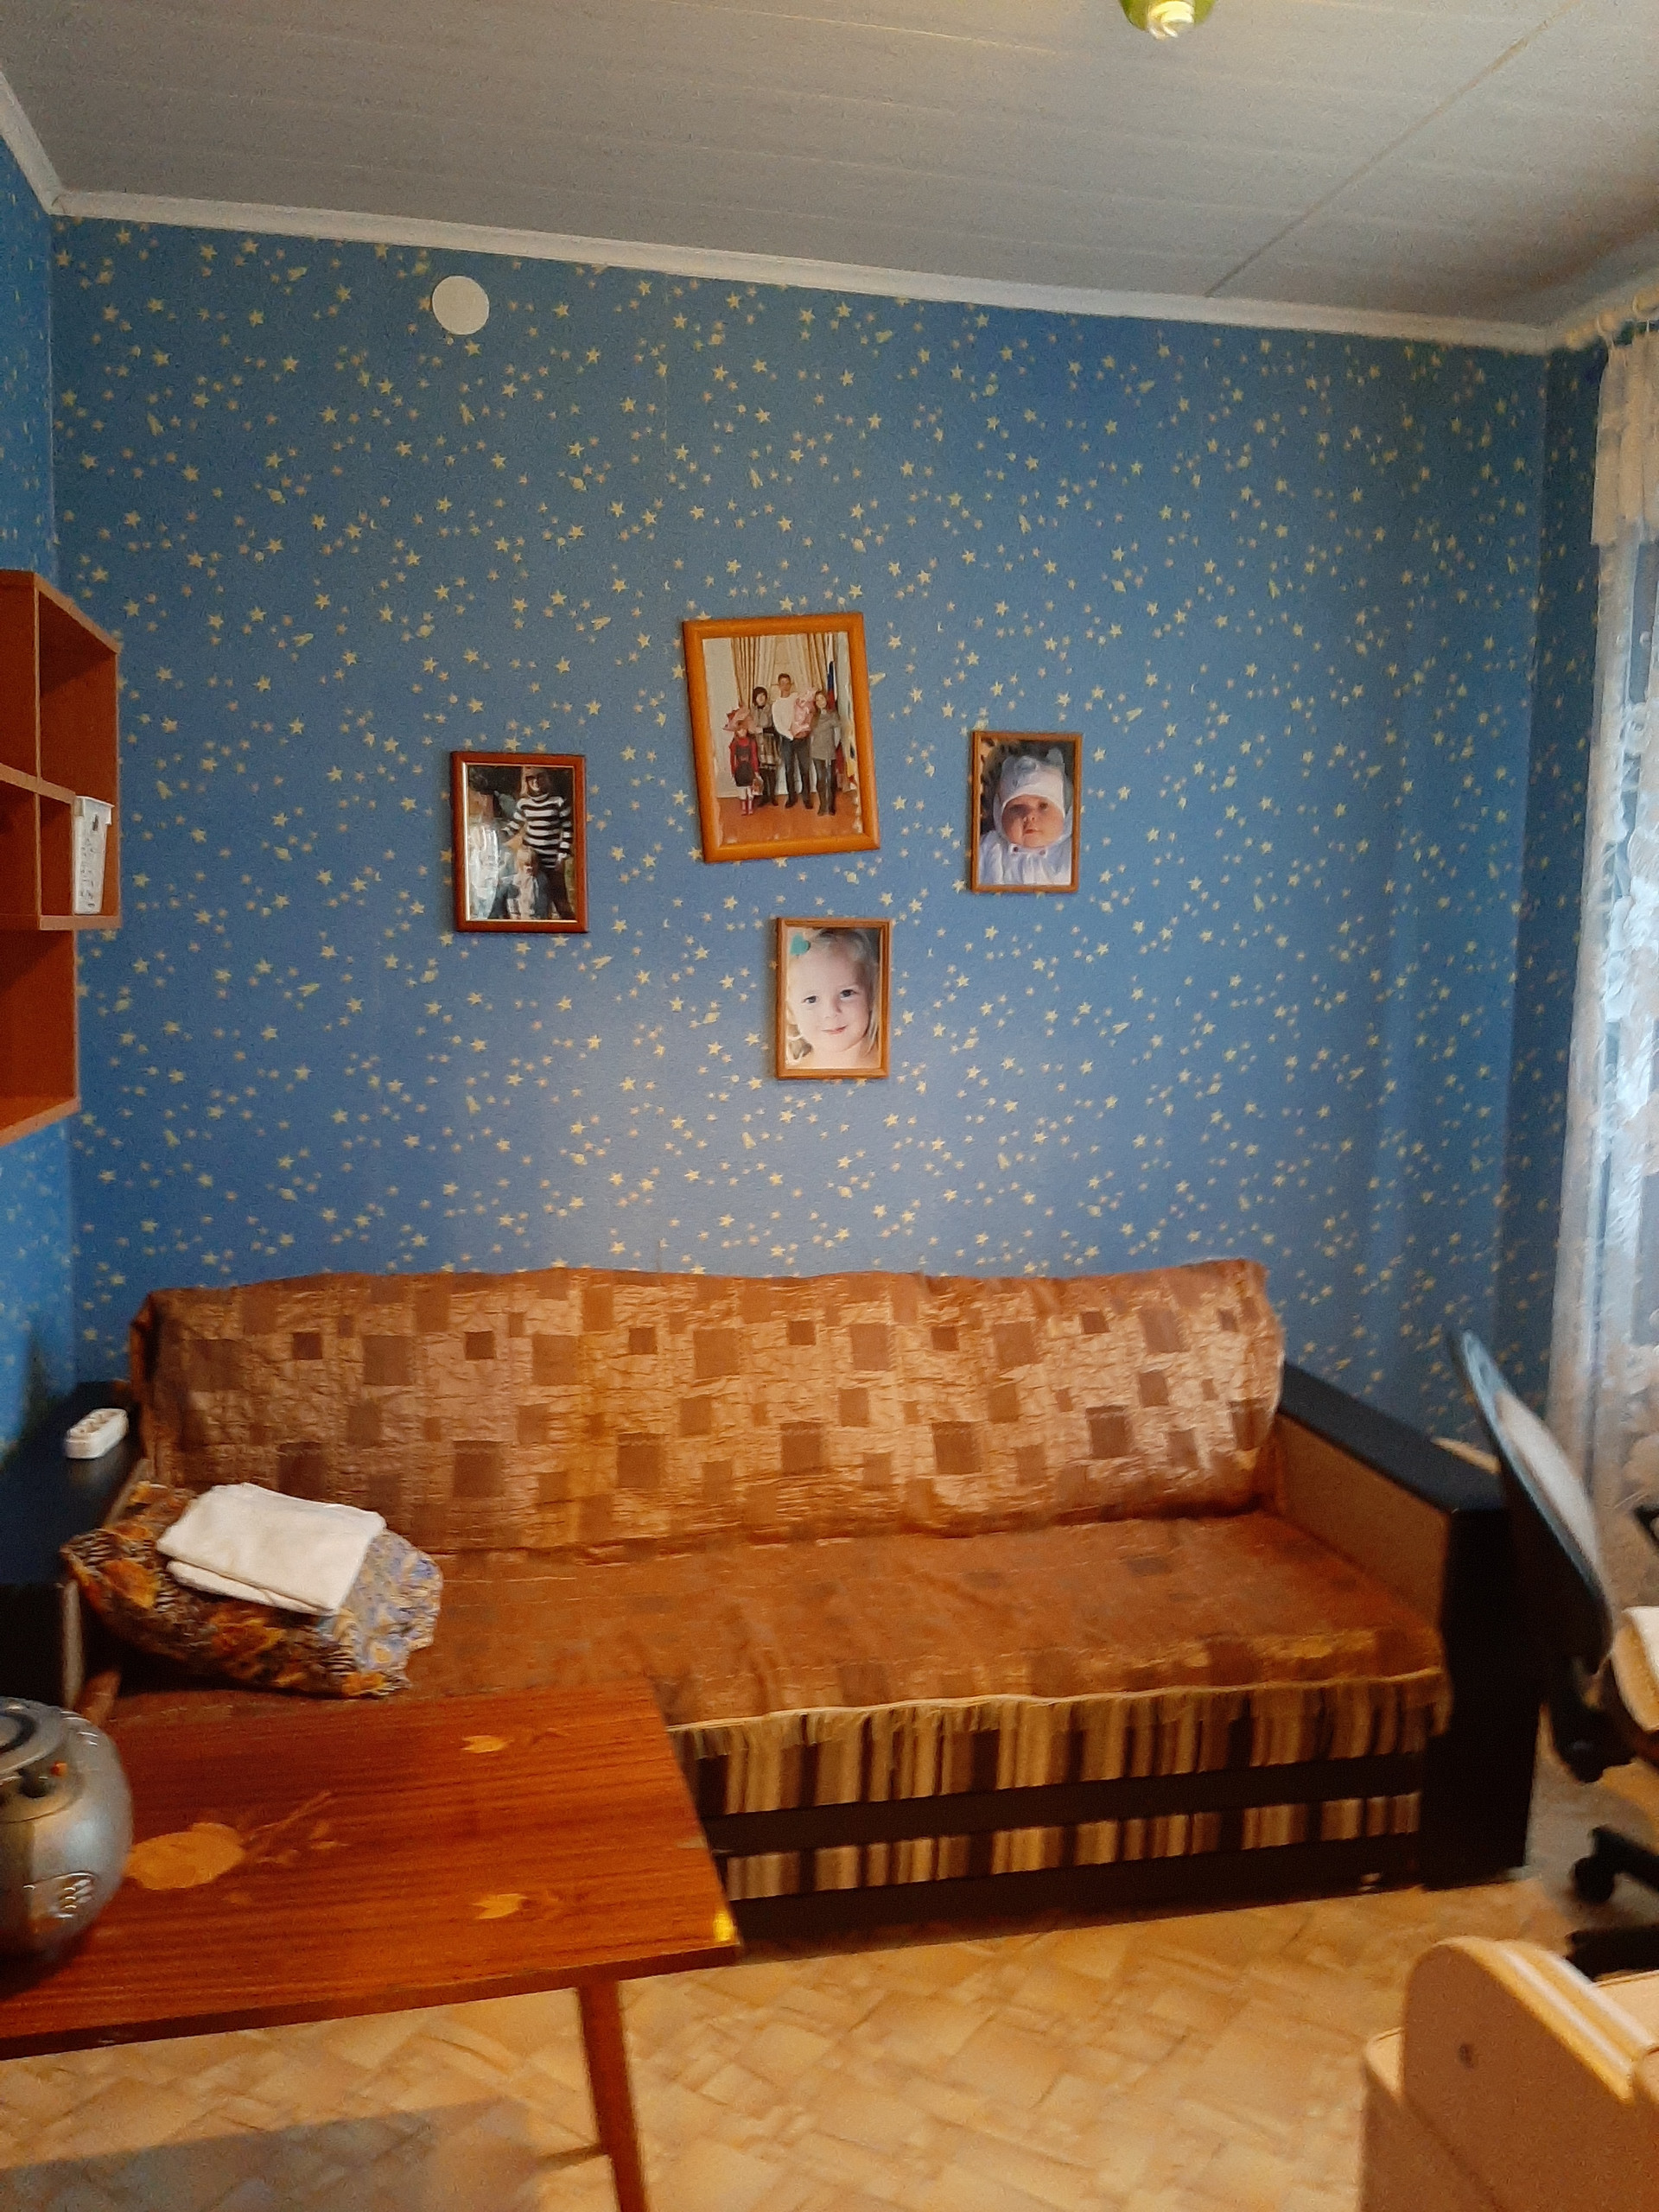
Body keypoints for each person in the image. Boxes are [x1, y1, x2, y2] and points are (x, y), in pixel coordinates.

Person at [784, 926, 882, 1071]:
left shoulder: (897, 1065)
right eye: (811, 999)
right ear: (790, 1011)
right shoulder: (789, 1076)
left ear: (871, 995)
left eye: (846, 993)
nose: (830, 1012)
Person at [976, 749, 1073, 887]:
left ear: (1065, 812)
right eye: (1017, 807)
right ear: (1000, 816)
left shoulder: (1073, 853)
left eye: (1043, 806)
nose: (1029, 815)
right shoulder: (988, 848)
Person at [518, 763, 574, 917]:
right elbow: (514, 826)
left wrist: (561, 857)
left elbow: (568, 830)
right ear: (526, 781)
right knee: (535, 901)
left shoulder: (558, 802)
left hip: (552, 863)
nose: (536, 781)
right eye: (531, 778)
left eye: (540, 776)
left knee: (560, 901)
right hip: (532, 862)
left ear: (546, 778)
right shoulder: (524, 804)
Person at [772, 672, 816, 809]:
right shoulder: (776, 705)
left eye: (787, 683)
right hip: (787, 740)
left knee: (804, 768)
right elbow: (778, 725)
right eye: (782, 683)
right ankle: (791, 797)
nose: (785, 686)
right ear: (779, 686)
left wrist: (804, 730)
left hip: (802, 739)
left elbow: (808, 709)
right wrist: (791, 735)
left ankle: (806, 797)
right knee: (789, 769)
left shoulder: (796, 697)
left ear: (791, 684)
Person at [809, 687, 842, 816]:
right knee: (821, 779)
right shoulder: (814, 717)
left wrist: (833, 747)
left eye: (821, 699)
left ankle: (831, 805)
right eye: (817, 700)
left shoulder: (833, 715)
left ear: (826, 699)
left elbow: (837, 733)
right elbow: (812, 736)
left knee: (830, 779)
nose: (820, 702)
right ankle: (823, 805)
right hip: (817, 752)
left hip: (829, 752)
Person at [747, 684, 779, 806]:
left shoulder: (772, 709)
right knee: (762, 771)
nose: (761, 698)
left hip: (769, 744)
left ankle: (773, 796)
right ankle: (764, 795)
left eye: (763, 696)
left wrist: (763, 730)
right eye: (758, 696)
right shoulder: (752, 711)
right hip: (757, 744)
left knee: (771, 771)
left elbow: (777, 728)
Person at [726, 702, 760, 815]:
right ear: (736, 731)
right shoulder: (734, 744)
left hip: (749, 769)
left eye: (744, 729)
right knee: (742, 790)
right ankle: (743, 807)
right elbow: (732, 758)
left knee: (750, 790)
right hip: (739, 770)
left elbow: (754, 756)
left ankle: (750, 807)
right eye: (740, 729)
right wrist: (733, 770)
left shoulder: (751, 742)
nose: (743, 731)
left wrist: (756, 771)